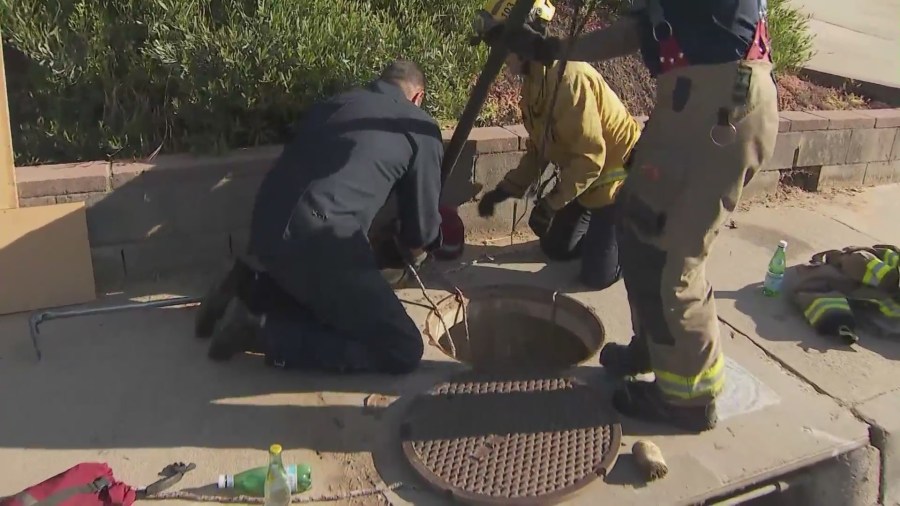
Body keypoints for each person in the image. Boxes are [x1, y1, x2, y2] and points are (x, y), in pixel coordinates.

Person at [500, 0, 780, 432]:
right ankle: (652, 347)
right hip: (692, 103)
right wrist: (551, 48)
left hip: (718, 107)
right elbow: (632, 32)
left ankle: (689, 396)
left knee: (672, 256)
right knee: (638, 228)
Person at [194, 60, 445, 375]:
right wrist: (410, 255)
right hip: (320, 239)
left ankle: (248, 288)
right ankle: (263, 332)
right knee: (402, 348)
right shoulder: (418, 126)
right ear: (418, 96)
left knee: (324, 295)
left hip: (265, 227)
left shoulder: (335, 103)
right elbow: (420, 231)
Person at [477, 9, 641, 290]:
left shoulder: (568, 80)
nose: (500, 59)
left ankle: (633, 240)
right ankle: (601, 235)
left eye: (503, 49)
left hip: (619, 183)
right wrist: (505, 190)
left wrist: (552, 204)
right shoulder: (534, 80)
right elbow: (539, 148)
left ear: (523, 46)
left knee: (596, 277)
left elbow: (591, 159)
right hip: (586, 182)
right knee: (555, 249)